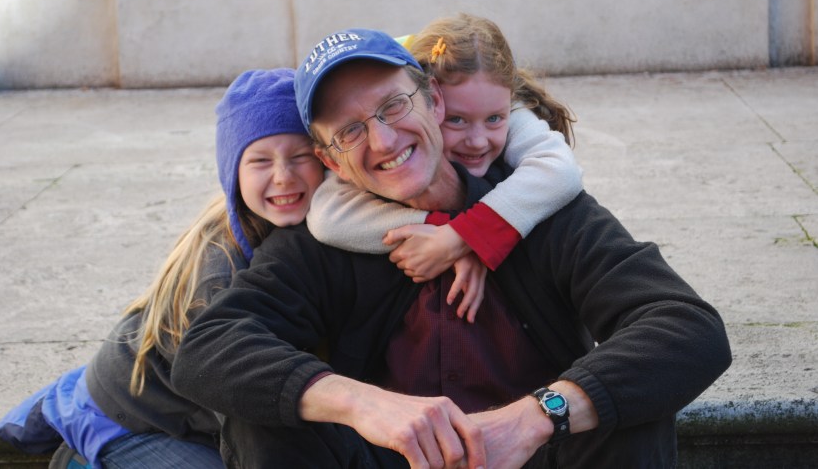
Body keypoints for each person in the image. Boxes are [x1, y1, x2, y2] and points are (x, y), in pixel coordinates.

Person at [172, 27, 732, 468]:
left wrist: (538, 415)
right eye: (349, 131)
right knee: (263, 416)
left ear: (433, 100)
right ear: (330, 160)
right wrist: (367, 405)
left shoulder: (539, 210)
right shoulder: (324, 240)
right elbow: (210, 349)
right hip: (391, 460)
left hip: (536, 456)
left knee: (626, 402)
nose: (384, 141)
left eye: (393, 105)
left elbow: (687, 327)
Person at [0, 69, 324, 468]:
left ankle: (70, 401)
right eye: (259, 161)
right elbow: (240, 403)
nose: (283, 175)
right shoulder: (219, 276)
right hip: (134, 419)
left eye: (300, 156)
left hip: (150, 377)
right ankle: (78, 452)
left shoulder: (309, 227)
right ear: (232, 174)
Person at [306, 13, 583, 321]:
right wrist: (450, 232)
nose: (477, 141)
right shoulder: (403, 84)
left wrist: (465, 237)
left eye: (494, 119)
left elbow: (560, 170)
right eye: (456, 120)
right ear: (433, 100)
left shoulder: (504, 107)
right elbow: (327, 217)